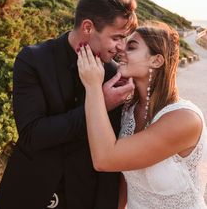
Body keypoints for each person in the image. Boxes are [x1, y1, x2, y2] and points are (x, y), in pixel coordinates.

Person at [0, 0, 138, 209]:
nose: (121, 47)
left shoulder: (113, 75)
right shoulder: (33, 60)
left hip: (85, 198)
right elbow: (33, 134)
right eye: (117, 37)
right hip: (29, 194)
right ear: (88, 27)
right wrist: (100, 105)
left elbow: (111, 152)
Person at [77, 22, 207, 209]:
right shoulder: (128, 110)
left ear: (156, 61)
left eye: (131, 46)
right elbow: (124, 178)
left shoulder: (184, 119)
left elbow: (105, 159)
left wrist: (92, 87)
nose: (121, 49)